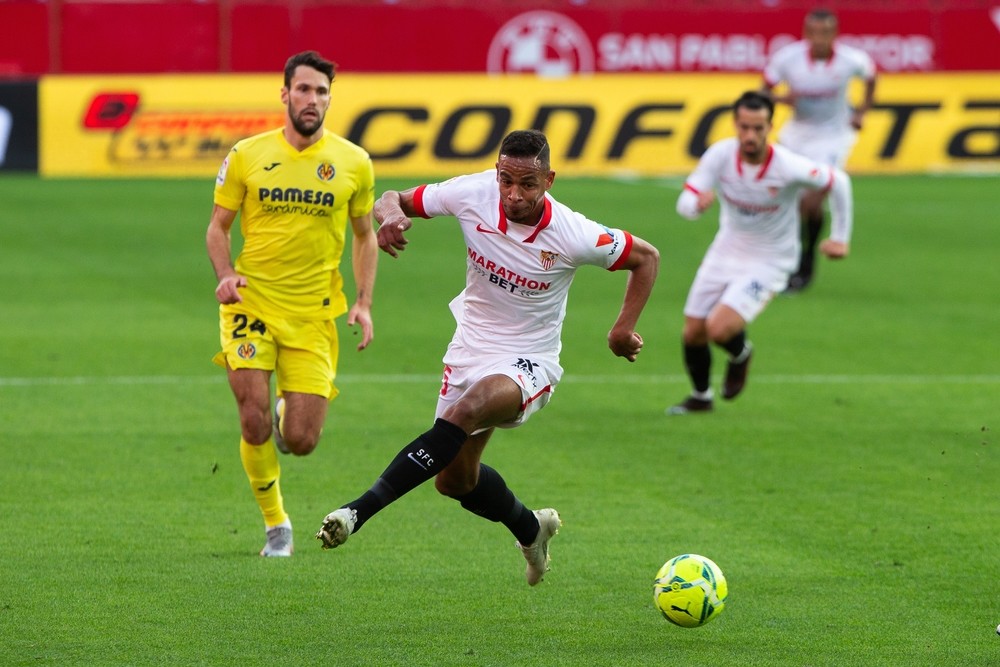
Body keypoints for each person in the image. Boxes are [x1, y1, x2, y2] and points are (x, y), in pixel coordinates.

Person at [315, 129, 659, 585]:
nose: (514, 195)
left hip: (529, 359)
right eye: (505, 180)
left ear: (550, 180)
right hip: (470, 348)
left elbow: (647, 258)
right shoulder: (472, 192)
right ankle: (531, 529)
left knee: (468, 411)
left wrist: (622, 328)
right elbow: (393, 196)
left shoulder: (575, 233)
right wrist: (390, 217)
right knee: (454, 481)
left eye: (527, 184)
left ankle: (356, 511)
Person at [206, 50, 378, 556]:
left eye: (321, 91)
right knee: (252, 418)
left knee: (301, 440)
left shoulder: (353, 162)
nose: (312, 100)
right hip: (250, 304)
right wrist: (225, 275)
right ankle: (276, 524)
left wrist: (364, 302)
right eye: (303, 90)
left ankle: (289, 414)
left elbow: (366, 236)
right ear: (285, 94)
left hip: (312, 315)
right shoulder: (246, 155)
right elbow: (217, 228)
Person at [667, 91, 853, 415]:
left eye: (758, 128)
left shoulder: (788, 165)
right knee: (693, 330)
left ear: (770, 126)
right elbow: (688, 196)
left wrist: (840, 237)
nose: (750, 135)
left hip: (771, 260)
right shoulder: (720, 155)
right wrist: (694, 206)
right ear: (735, 125)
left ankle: (741, 355)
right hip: (725, 250)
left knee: (718, 328)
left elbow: (839, 182)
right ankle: (701, 397)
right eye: (744, 127)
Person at [762, 8, 875, 292]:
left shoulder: (851, 60)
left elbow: (871, 77)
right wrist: (780, 98)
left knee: (811, 202)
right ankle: (787, 259)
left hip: (833, 138)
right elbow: (763, 92)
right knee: (787, 201)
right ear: (806, 33)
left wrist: (862, 112)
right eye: (814, 32)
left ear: (834, 34)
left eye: (826, 33)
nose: (820, 39)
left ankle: (806, 260)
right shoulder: (788, 58)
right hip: (796, 136)